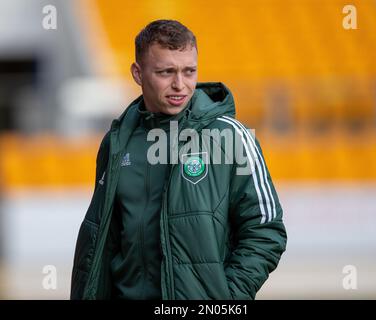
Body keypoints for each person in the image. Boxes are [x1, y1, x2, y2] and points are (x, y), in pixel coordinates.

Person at [71, 19, 287, 300]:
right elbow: (101, 239)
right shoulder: (116, 142)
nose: (179, 85)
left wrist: (225, 297)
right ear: (138, 73)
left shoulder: (230, 136)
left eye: (189, 71)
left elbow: (265, 229)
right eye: (165, 72)